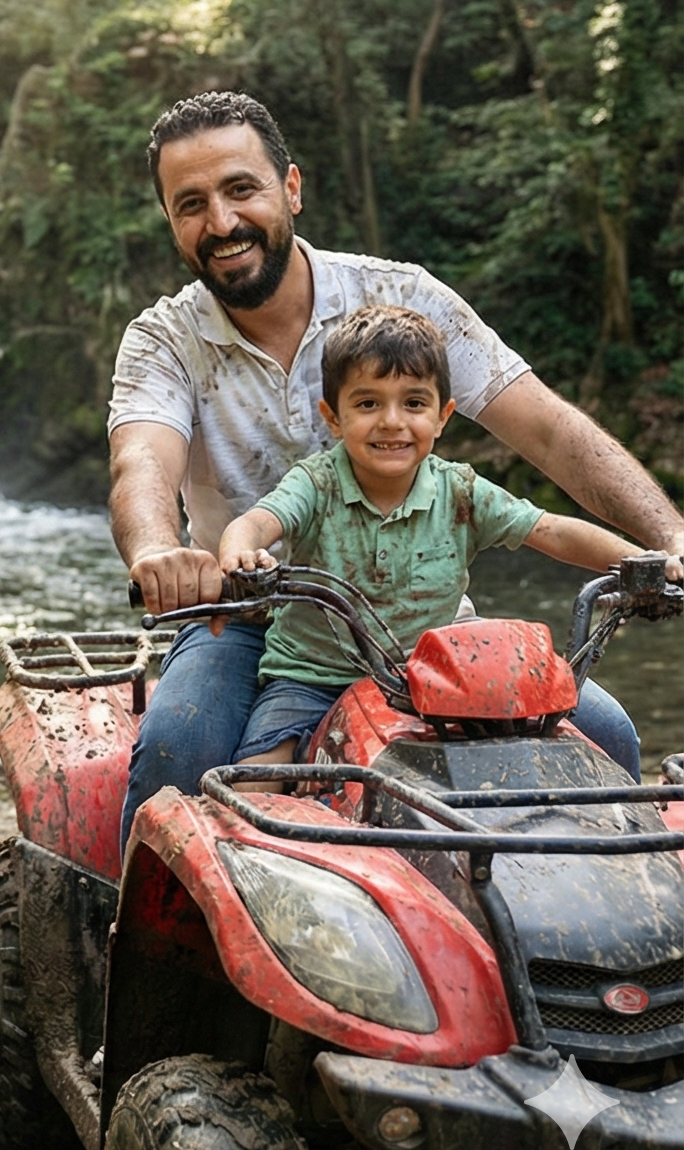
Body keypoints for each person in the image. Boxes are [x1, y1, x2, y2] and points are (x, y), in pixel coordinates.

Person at [112, 91, 682, 842]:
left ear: (291, 187)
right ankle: (142, 955)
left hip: (426, 622)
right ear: (171, 221)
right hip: (251, 621)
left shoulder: (401, 298)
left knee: (606, 735)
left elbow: (547, 430)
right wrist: (159, 552)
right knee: (177, 748)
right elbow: (142, 463)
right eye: (191, 204)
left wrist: (670, 543)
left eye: (240, 189)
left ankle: (593, 955)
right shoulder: (163, 340)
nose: (220, 223)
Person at [213, 306, 669, 774]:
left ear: (442, 416)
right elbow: (257, 522)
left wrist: (645, 563)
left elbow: (550, 530)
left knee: (610, 731)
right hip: (313, 677)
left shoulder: (461, 491)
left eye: (413, 404)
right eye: (368, 404)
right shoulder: (316, 483)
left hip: (441, 673)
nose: (392, 421)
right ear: (333, 417)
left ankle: (619, 840)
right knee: (259, 775)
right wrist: (240, 557)